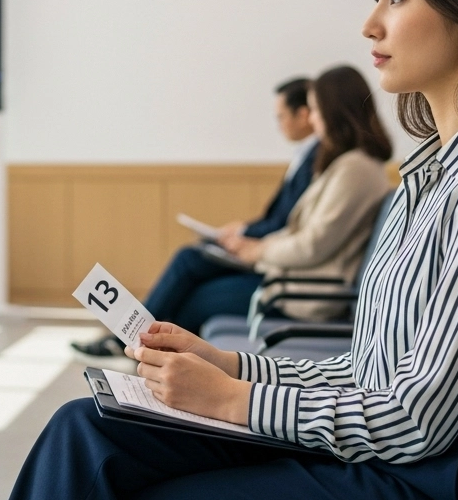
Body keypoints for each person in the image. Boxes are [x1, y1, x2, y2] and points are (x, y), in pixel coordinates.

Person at [7, 0, 458, 500]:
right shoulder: (432, 172)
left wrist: (232, 399)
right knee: (88, 428)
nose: (370, 25)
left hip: (452, 475)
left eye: (396, 0)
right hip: (405, 452)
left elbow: (416, 415)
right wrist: (230, 365)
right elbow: (372, 372)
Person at [73, 69, 390, 360]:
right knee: (194, 285)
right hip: (291, 282)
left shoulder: (355, 169)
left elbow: (312, 244)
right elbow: (303, 234)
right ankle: (149, 360)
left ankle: (150, 362)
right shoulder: (350, 165)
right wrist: (253, 247)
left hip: (305, 296)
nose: (314, 121)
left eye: (317, 110)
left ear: (336, 112)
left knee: (197, 299)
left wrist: (257, 250)